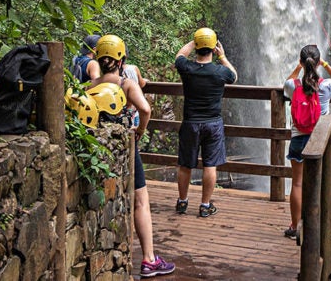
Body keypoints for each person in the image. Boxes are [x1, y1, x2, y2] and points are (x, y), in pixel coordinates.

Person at [91, 34, 176, 277]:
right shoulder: (125, 84)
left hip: (100, 151)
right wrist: (139, 131)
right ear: (121, 59)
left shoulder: (90, 86)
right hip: (125, 149)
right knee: (141, 201)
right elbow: (146, 109)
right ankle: (149, 259)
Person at [282, 44, 331, 240]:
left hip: (299, 138)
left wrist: (300, 67)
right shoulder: (326, 86)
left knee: (298, 183)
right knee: (325, 183)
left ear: (302, 62)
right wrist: (325, 64)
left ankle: (295, 226)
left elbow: (287, 81)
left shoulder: (293, 86)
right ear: (318, 63)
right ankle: (325, 225)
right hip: (322, 139)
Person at [174, 27, 237, 218]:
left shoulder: (187, 68)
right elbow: (234, 76)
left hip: (191, 122)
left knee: (185, 164)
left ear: (197, 47)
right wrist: (223, 56)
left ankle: (183, 201)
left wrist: (194, 41)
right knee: (210, 165)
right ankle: (205, 205)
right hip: (212, 123)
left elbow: (179, 56)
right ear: (213, 48)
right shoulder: (220, 72)